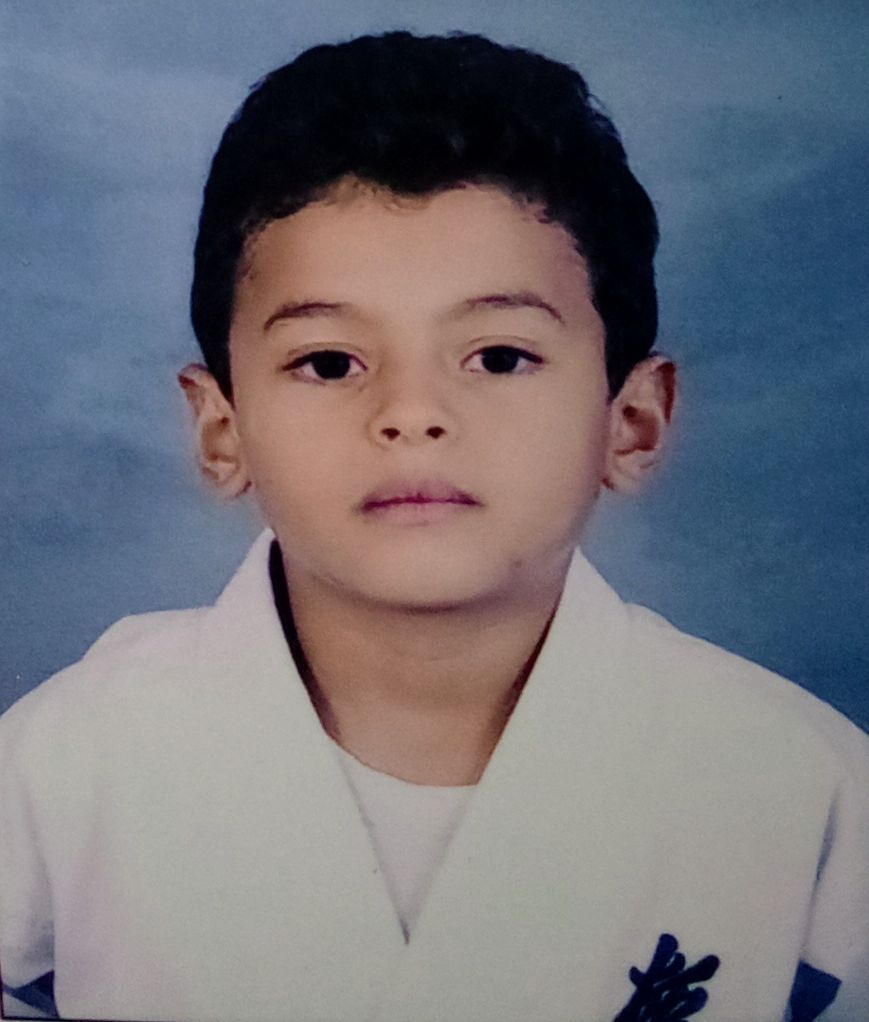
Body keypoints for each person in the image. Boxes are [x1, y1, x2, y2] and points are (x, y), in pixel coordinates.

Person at [1, 30, 867, 1022]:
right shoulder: (64, 766)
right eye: (330, 362)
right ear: (221, 429)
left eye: (497, 357)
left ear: (629, 421)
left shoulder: (801, 789)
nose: (410, 414)